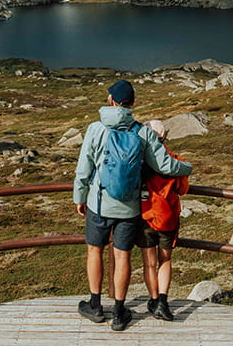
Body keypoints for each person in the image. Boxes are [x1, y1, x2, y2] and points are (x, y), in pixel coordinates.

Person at [73, 80, 193, 331]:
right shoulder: (143, 132)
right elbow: (166, 166)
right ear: (132, 104)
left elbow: (83, 169)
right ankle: (118, 313)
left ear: (111, 101)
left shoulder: (95, 129)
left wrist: (80, 197)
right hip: (129, 208)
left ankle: (95, 306)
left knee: (94, 251)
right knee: (122, 255)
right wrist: (188, 167)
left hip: (98, 203)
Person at [137, 119, 188, 322]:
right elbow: (182, 189)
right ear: (164, 136)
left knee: (149, 263)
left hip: (145, 216)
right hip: (167, 218)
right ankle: (163, 302)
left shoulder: (139, 160)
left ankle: (153, 298)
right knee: (165, 260)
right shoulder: (174, 159)